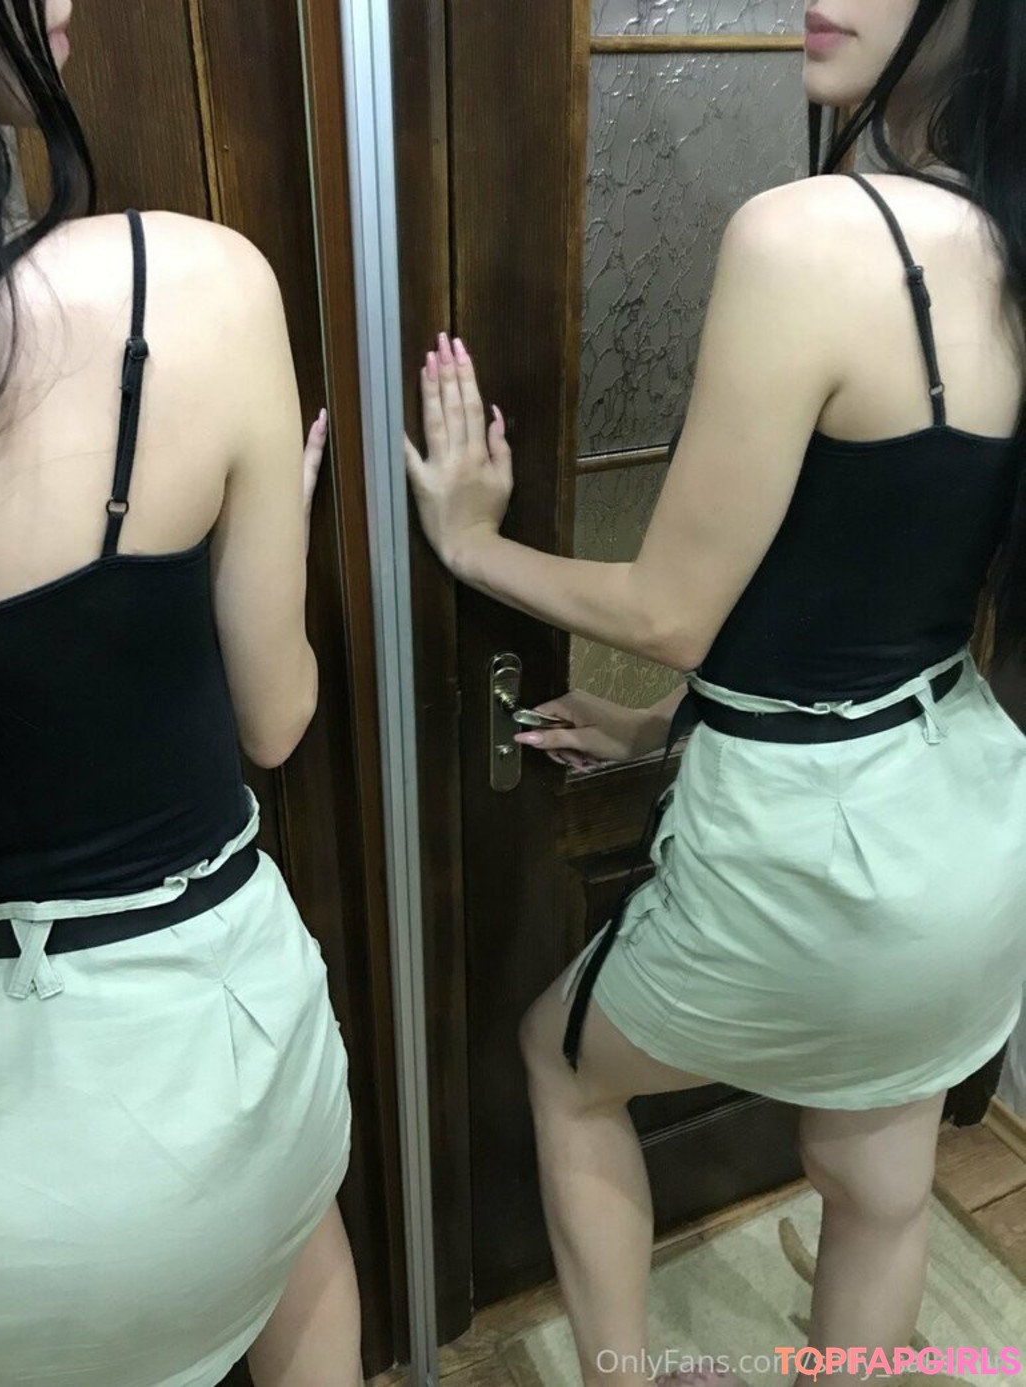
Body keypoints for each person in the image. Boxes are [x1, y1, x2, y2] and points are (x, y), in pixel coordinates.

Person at [404, 2, 1026, 1384]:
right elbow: (878, 582)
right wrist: (660, 726)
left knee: (561, 1065)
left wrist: (472, 542)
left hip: (818, 850)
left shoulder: (808, 236)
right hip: (969, 822)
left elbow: (669, 612)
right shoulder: (1009, 237)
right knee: (878, 1181)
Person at [0, 4, 360, 1385]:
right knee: (307, 1272)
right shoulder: (188, 286)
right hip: (205, 1051)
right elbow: (276, 720)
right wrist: (264, 523)